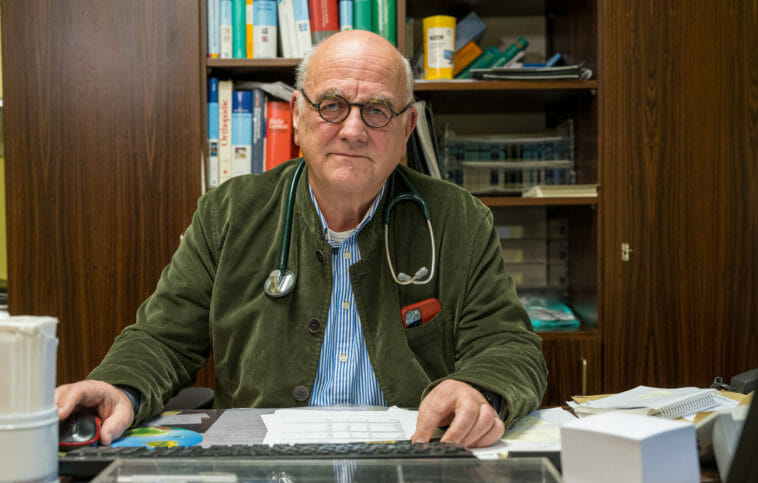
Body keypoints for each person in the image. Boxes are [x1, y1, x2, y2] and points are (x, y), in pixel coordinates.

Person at [55, 30, 547, 449]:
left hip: (413, 469)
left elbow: (509, 345)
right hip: (263, 475)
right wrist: (119, 386)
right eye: (332, 105)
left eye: (377, 110)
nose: (353, 130)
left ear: (407, 128)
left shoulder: (459, 219)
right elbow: (164, 339)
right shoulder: (229, 212)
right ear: (296, 114)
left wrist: (479, 388)